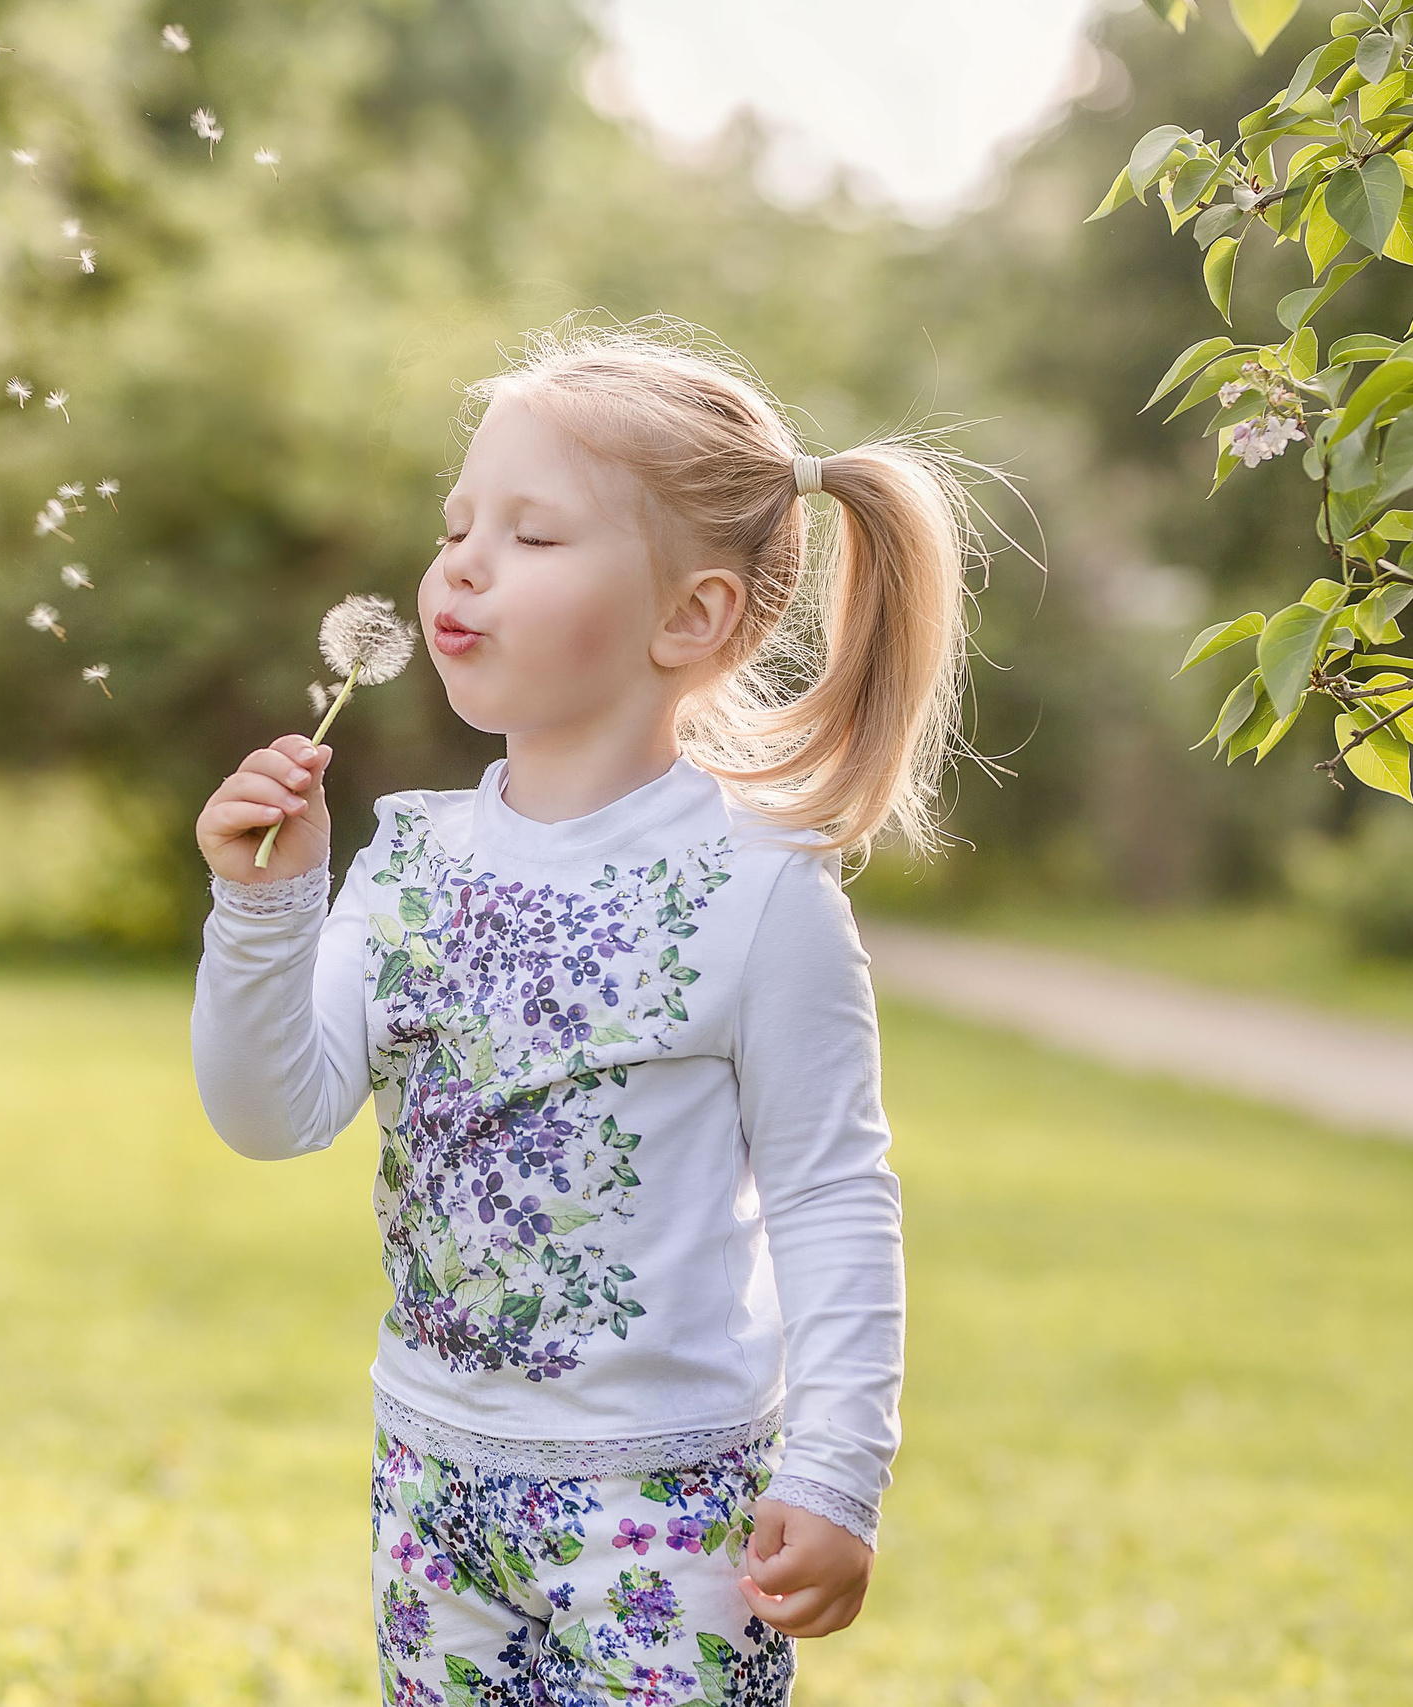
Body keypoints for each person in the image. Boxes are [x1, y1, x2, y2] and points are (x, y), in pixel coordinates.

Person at [190, 316, 988, 1706]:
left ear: (692, 618)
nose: (464, 563)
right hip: (431, 1474)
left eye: (534, 536)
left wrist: (838, 1471)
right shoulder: (412, 859)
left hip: (665, 1504)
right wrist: (266, 909)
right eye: (458, 526)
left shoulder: (760, 894)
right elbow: (273, 1115)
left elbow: (831, 1192)